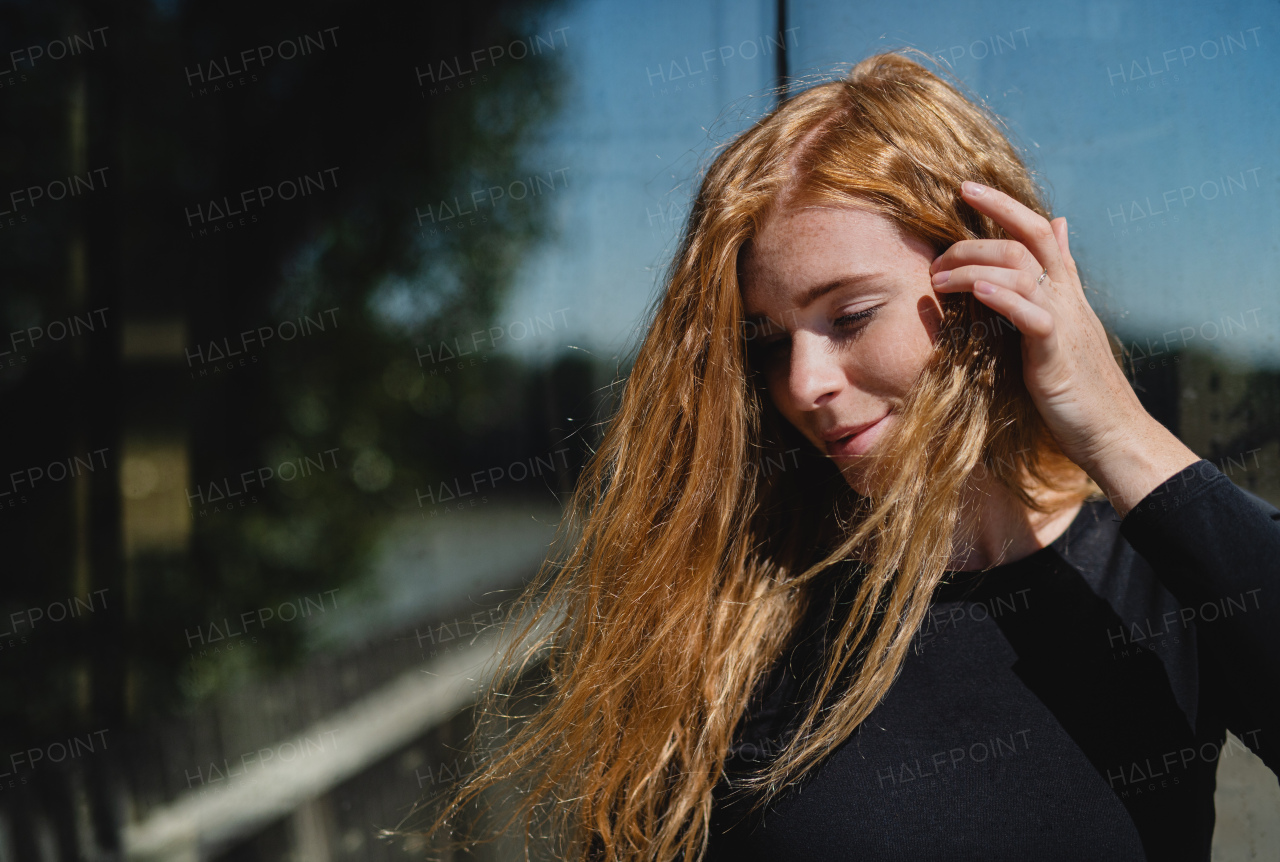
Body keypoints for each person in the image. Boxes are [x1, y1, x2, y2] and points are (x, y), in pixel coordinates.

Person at [419, 50, 1279, 862]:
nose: (802, 382)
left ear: (987, 287)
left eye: (850, 315)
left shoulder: (1155, 577)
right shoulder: (738, 607)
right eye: (766, 339)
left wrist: (1115, 428)